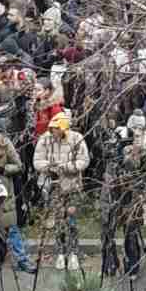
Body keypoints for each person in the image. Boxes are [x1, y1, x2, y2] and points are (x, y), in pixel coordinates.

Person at [33, 110, 89, 269]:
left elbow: (84, 160)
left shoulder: (76, 138)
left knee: (71, 220)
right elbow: (37, 161)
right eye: (53, 129)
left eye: (57, 129)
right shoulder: (45, 139)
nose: (54, 132)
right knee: (58, 221)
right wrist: (49, 167)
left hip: (72, 186)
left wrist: (67, 167)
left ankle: (73, 253)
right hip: (54, 187)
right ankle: (60, 253)